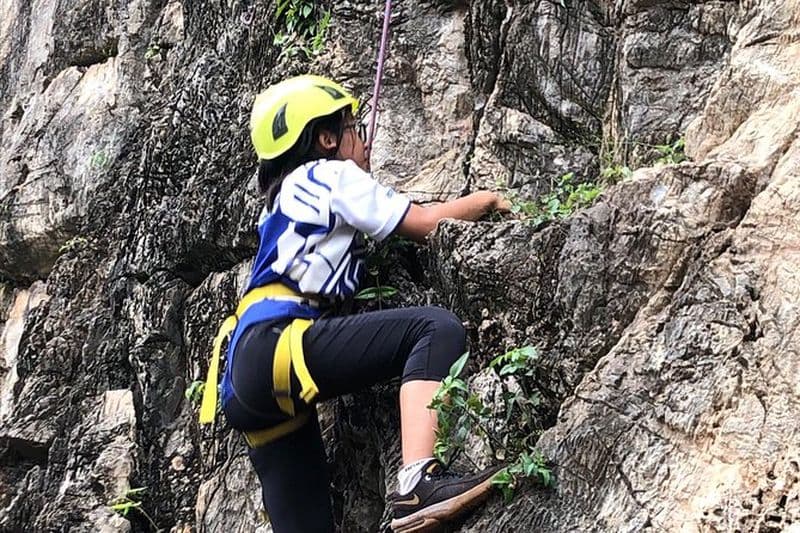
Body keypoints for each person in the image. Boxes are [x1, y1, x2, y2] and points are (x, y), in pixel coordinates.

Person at [211, 74, 507, 532]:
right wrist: (484, 200)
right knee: (433, 330)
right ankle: (417, 483)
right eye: (353, 128)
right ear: (327, 138)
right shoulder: (331, 173)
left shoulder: (280, 203)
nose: (363, 141)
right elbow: (425, 223)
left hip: (245, 375)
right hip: (277, 346)